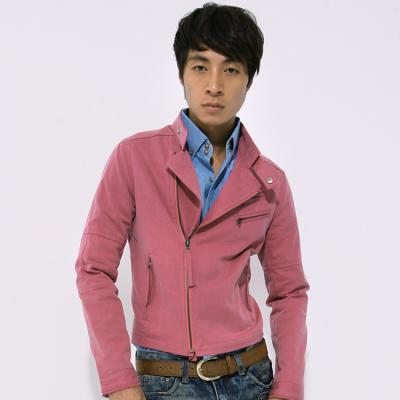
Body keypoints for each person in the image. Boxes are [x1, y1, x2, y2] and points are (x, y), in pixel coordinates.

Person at [74, 2, 310, 400]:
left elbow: (289, 292)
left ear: (249, 79)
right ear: (181, 73)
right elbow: (93, 269)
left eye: (231, 70)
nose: (214, 85)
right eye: (200, 67)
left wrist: (288, 388)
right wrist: (119, 382)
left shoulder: (270, 182)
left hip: (251, 378)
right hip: (165, 381)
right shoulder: (134, 159)